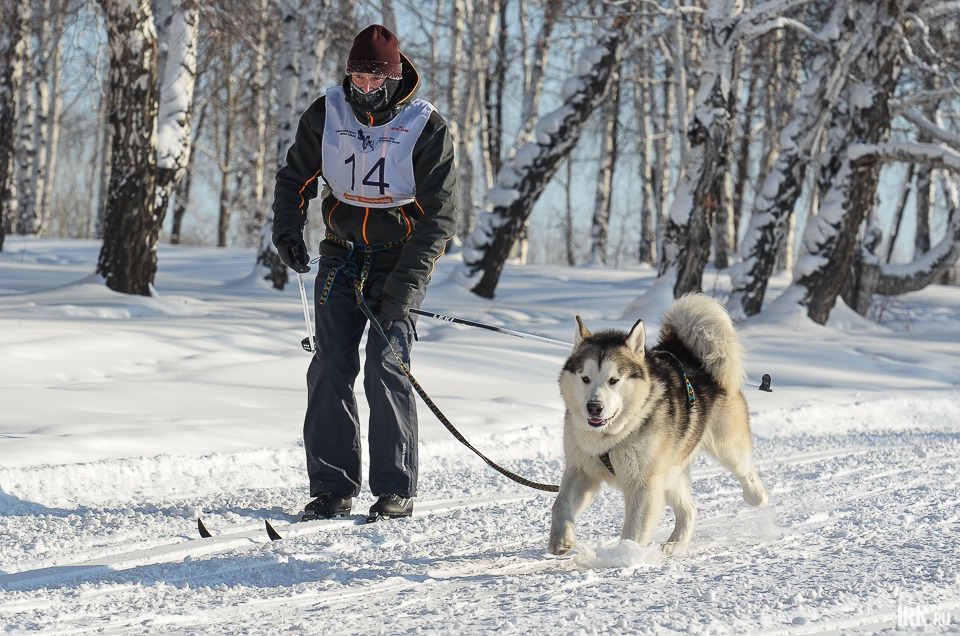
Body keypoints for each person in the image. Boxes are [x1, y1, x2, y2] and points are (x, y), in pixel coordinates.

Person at [271, 24, 458, 523]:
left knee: (384, 364)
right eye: (358, 76)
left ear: (395, 80)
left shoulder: (426, 127)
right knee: (331, 363)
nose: (365, 88)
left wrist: (404, 288)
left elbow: (438, 219)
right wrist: (287, 228)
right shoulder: (327, 112)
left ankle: (396, 489)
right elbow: (295, 178)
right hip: (341, 254)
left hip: (399, 257)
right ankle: (333, 486)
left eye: (376, 80)